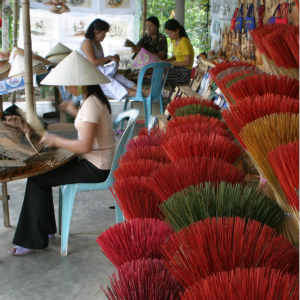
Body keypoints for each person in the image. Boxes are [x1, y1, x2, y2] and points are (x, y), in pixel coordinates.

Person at [8, 52, 116, 255]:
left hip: (96, 167)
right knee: (43, 174)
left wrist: (56, 140)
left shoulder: (91, 104)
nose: (66, 88)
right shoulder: (93, 99)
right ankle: (45, 230)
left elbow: (84, 146)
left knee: (37, 179)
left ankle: (33, 240)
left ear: (81, 82)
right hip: (98, 161)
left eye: (68, 83)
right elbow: (89, 124)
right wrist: (74, 110)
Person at [78, 19, 149, 101]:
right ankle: (141, 94)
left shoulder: (98, 44)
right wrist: (109, 58)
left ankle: (142, 90)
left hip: (98, 73)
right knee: (109, 82)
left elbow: (100, 61)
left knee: (119, 77)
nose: (104, 36)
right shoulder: (87, 42)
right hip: (89, 75)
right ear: (95, 31)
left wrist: (113, 59)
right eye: (103, 34)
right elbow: (93, 62)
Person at [164, 19, 194, 84]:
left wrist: (171, 63)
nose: (169, 35)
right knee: (157, 72)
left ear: (177, 31)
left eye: (170, 33)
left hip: (185, 72)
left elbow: (188, 62)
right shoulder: (174, 40)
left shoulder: (184, 41)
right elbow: (176, 56)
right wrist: (168, 60)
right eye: (167, 33)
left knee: (162, 76)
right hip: (177, 69)